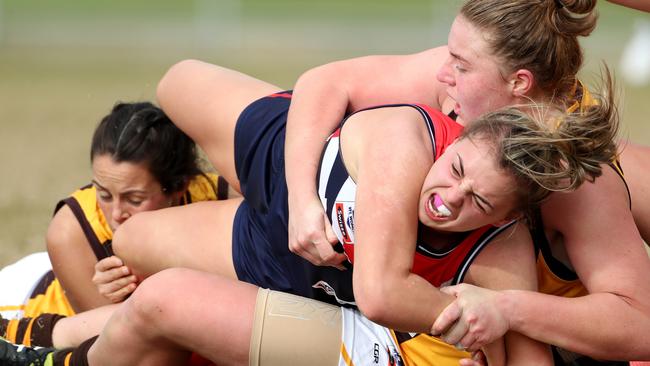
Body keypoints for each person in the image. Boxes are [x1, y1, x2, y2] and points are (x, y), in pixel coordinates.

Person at [0, 65, 620, 365]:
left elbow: (379, 296)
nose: (448, 199)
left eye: (478, 203)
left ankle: (56, 350)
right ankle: (51, 328)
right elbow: (326, 82)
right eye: (456, 172)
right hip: (291, 208)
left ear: (508, 217)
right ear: (454, 139)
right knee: (173, 98)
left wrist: (494, 318)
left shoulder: (502, 250)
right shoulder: (410, 140)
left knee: (166, 296)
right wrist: (301, 192)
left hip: (331, 298)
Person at [267, 0, 650, 362]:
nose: (443, 73)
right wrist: (302, 202)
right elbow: (327, 82)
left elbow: (639, 324)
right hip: (436, 318)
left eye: (461, 64)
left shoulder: (572, 183)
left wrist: (507, 311)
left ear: (519, 83)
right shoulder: (470, 77)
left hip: (528, 344)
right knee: (259, 121)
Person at [0, 101, 231, 345]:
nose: (117, 213)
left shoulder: (214, 196)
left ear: (179, 187)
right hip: (23, 305)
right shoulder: (69, 231)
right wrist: (117, 298)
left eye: (134, 198)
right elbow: (123, 344)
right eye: (104, 194)